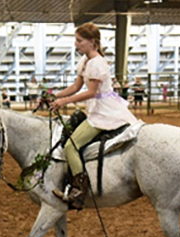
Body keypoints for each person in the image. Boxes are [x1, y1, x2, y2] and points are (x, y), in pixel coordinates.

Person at [48, 23, 139, 210]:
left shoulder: (98, 63)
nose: (76, 44)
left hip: (104, 112)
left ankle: (79, 191)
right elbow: (75, 87)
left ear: (92, 42)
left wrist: (64, 102)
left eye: (79, 41)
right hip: (97, 108)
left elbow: (91, 92)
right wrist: (54, 95)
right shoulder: (85, 61)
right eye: (76, 40)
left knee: (70, 146)